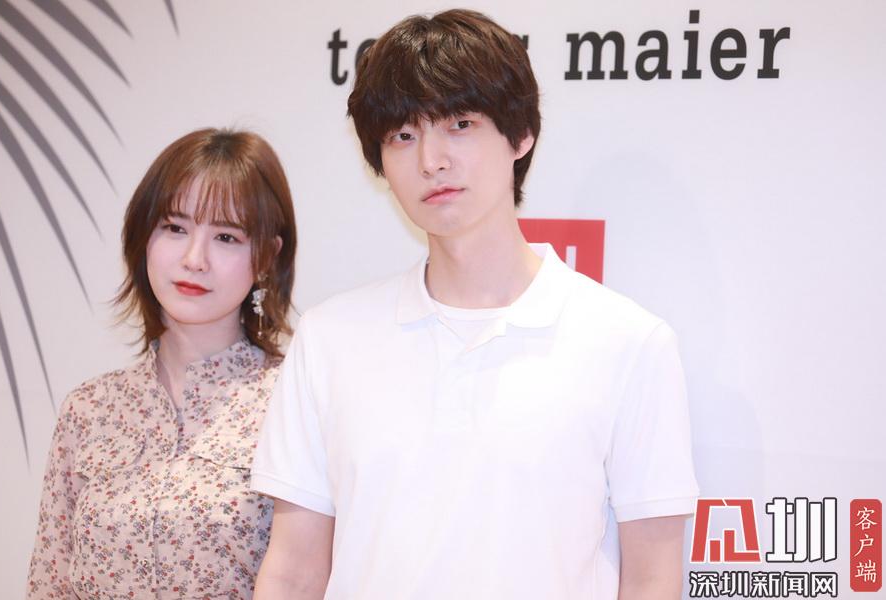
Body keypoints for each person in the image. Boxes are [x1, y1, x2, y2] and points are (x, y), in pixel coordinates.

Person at [251, 9, 698, 600]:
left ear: (521, 135)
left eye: (459, 124)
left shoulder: (628, 343)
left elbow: (652, 578)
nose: (431, 159)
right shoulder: (330, 338)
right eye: (403, 136)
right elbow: (294, 571)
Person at [26, 128, 297, 599]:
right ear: (143, 235)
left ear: (266, 257)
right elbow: (50, 583)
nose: (195, 259)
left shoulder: (294, 401)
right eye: (175, 228)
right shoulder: (89, 410)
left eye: (226, 236)